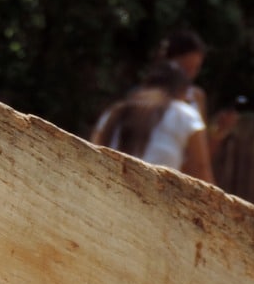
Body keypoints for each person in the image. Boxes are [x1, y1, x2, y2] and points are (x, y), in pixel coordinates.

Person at [90, 60, 214, 183]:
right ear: (182, 91)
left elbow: (94, 151)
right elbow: (200, 167)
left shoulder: (115, 111)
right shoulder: (184, 114)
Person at [160, 29, 239, 158]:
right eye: (185, 68)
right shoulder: (143, 99)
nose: (189, 75)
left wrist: (219, 132)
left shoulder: (196, 97)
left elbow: (202, 158)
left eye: (195, 68)